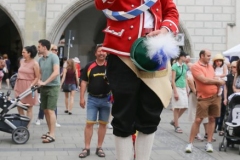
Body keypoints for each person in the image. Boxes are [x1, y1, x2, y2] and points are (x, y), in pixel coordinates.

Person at [95, 0, 179, 159]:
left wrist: (164, 29)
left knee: (150, 116)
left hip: (153, 54)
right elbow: (100, 3)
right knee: (123, 116)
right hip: (121, 52)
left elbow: (171, 12)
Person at [185, 49, 225, 153]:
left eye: (210, 56)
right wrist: (218, 81)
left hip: (215, 96)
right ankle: (190, 144)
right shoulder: (195, 67)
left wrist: (218, 85)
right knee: (198, 119)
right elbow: (204, 80)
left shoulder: (210, 66)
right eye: (208, 55)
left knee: (212, 119)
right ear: (202, 56)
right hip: (204, 97)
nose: (210, 57)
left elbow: (212, 78)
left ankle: (209, 143)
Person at [79, 45, 111, 158]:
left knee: (103, 124)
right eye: (99, 51)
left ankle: (99, 147)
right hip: (92, 99)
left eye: (104, 51)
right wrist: (82, 98)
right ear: (95, 53)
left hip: (106, 100)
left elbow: (116, 81)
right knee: (89, 124)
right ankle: (86, 148)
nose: (102, 53)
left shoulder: (110, 66)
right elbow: (83, 82)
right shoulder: (90, 66)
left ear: (107, 53)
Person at [38, 39, 60, 143]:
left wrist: (45, 82)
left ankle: (53, 134)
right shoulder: (40, 60)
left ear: (44, 47)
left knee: (51, 110)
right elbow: (39, 73)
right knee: (45, 110)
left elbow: (56, 72)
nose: (38, 48)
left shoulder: (54, 57)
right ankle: (49, 131)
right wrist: (38, 81)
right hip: (44, 87)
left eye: (39, 46)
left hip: (53, 87)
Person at [14, 45, 39, 127]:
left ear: (29, 53)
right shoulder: (21, 61)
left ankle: (26, 126)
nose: (22, 53)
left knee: (29, 107)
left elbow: (37, 77)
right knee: (19, 105)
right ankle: (22, 123)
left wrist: (31, 86)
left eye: (24, 52)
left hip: (29, 87)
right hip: (19, 85)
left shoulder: (35, 63)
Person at [187, 63, 208, 141]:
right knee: (195, 114)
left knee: (205, 114)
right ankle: (197, 133)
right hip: (195, 96)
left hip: (203, 96)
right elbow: (190, 81)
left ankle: (207, 133)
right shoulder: (191, 75)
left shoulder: (202, 74)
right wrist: (196, 93)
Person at [170, 50, 188, 133]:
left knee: (185, 106)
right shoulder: (174, 66)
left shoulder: (185, 66)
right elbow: (173, 80)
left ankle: (174, 120)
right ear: (181, 56)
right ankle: (177, 125)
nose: (185, 58)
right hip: (177, 87)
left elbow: (185, 77)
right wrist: (175, 92)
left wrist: (187, 89)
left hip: (183, 87)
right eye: (184, 56)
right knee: (177, 107)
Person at [220, 61, 237, 136]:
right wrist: (225, 98)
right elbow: (225, 88)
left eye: (235, 67)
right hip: (230, 99)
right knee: (228, 113)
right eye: (232, 67)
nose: (233, 68)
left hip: (238, 99)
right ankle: (224, 128)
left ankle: (236, 131)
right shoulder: (228, 76)